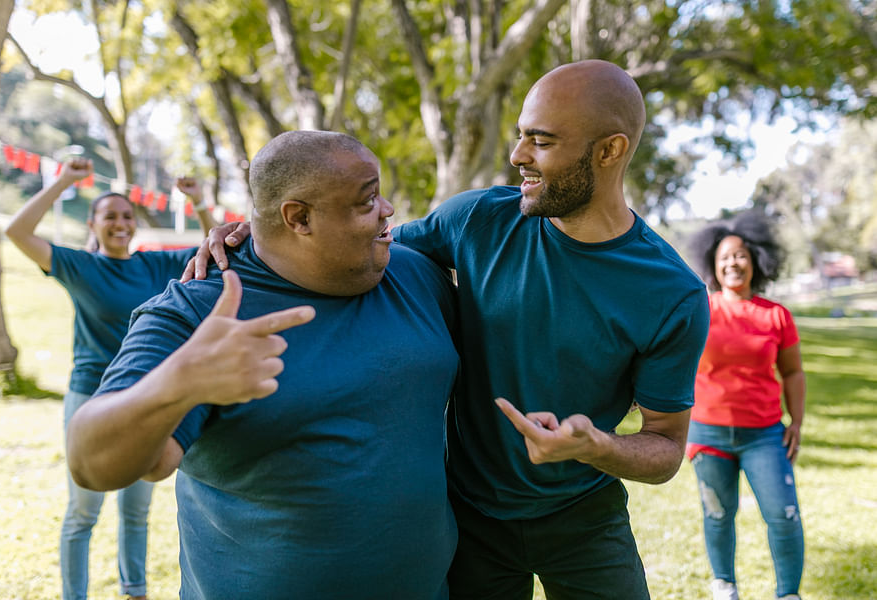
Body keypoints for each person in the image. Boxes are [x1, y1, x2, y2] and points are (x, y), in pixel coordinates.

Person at [188, 60, 711, 599]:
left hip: (584, 519)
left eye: (542, 141)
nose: (518, 156)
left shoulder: (673, 294)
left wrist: (595, 445)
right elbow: (348, 243)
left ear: (609, 151)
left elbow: (666, 448)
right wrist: (259, 231)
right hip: (468, 519)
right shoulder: (478, 219)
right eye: (520, 136)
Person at [66, 131, 461, 599]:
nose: (388, 209)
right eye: (366, 199)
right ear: (298, 217)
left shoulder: (413, 274)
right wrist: (180, 381)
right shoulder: (200, 311)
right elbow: (92, 463)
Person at [4, 159, 214, 600]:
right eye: (109, 216)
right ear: (94, 223)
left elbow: (214, 247)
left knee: (137, 511)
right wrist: (63, 181)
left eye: (126, 216)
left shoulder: (155, 267)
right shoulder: (80, 267)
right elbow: (18, 233)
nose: (120, 223)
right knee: (83, 511)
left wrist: (198, 203)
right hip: (89, 396)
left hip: (144, 395)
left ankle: (134, 591)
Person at [686, 211, 806, 600]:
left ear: (754, 260)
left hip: (765, 435)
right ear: (712, 265)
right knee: (718, 515)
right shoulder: (700, 310)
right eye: (723, 258)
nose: (732, 263)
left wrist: (796, 422)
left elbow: (792, 373)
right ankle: (725, 585)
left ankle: (788, 593)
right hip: (708, 434)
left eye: (739, 255)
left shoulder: (776, 315)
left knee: (784, 517)